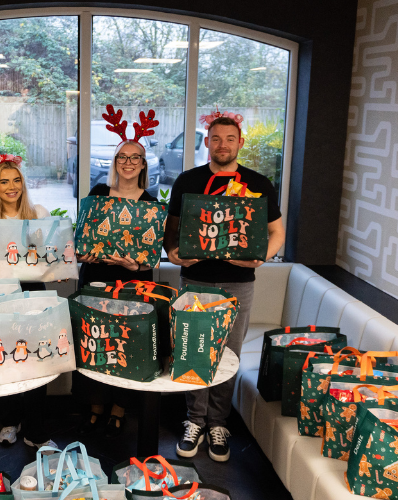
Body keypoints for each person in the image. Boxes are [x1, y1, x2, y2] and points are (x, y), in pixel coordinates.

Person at [164, 112, 285, 462]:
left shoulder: (259, 183)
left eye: (229, 139)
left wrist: (262, 256)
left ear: (240, 143)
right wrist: (173, 253)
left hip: (239, 282)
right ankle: (194, 421)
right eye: (216, 138)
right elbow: (172, 231)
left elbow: (276, 231)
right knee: (193, 352)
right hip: (195, 279)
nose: (222, 145)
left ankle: (218, 423)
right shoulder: (188, 181)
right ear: (207, 142)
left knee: (227, 355)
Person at [76, 138, 157, 437]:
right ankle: (96, 407)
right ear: (115, 161)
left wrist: (135, 266)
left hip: (132, 283)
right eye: (122, 157)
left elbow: (150, 259)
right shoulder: (98, 194)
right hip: (95, 280)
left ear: (143, 164)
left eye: (135, 158)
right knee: (96, 342)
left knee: (124, 345)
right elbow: (80, 239)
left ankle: (119, 409)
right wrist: (81, 254)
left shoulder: (150, 203)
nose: (128, 162)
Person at [0, 153, 56, 450]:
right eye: (4, 181)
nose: (12, 187)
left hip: (34, 290)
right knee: (6, 359)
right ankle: (9, 422)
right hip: (1, 294)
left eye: (17, 180)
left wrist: (59, 268)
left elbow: (55, 252)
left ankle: (36, 430)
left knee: (38, 359)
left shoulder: (38, 211)